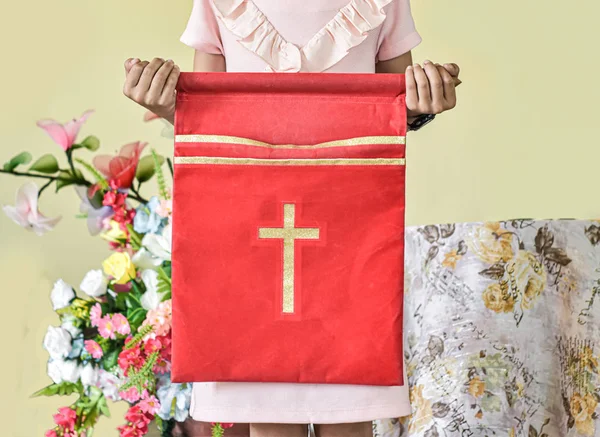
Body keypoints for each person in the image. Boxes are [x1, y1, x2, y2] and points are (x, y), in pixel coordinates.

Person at [123, 1, 461, 436]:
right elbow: (210, 119)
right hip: (252, 229)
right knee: (269, 414)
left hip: (350, 232)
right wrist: (167, 102)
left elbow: (393, 108)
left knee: (349, 412)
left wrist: (423, 100)